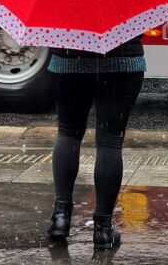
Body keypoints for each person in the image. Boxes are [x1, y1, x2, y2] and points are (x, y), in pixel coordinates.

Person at [47, 35, 146, 249]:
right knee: (110, 141)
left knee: (68, 133)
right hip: (123, 61)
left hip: (69, 60)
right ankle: (103, 230)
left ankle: (60, 219)